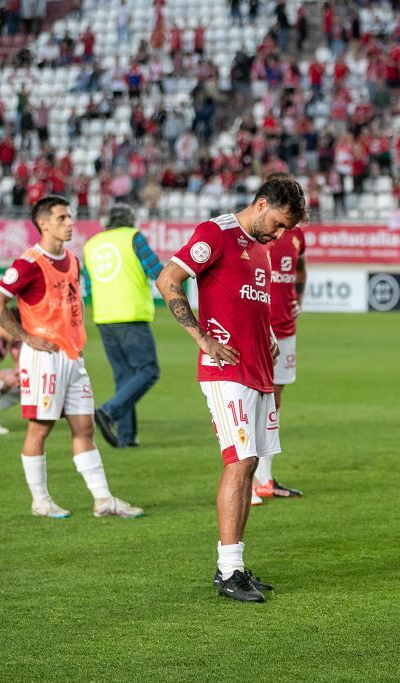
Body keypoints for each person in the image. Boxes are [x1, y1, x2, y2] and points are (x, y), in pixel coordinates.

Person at [156, 173, 307, 603]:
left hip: (259, 369)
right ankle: (227, 569)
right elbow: (169, 279)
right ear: (261, 204)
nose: (280, 235)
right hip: (227, 372)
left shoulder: (260, 249)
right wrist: (202, 338)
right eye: (278, 223)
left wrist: (272, 342)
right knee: (238, 462)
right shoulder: (215, 233)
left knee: (251, 461)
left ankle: (236, 566)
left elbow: (253, 305)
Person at [0, 195, 143, 520]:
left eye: (70, 217)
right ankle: (40, 501)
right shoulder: (28, 262)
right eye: (62, 218)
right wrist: (27, 338)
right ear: (43, 223)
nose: (70, 223)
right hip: (44, 358)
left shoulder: (72, 259)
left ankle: (103, 501)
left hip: (73, 357)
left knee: (84, 429)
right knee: (39, 429)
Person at [82, 204, 162, 449]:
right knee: (149, 370)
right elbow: (155, 270)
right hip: (130, 313)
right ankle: (108, 411)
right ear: (130, 220)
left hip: (104, 316)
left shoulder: (91, 245)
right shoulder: (133, 238)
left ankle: (126, 437)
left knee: (124, 377)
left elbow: (89, 285)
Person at [252, 223, 307, 502]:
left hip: (286, 329)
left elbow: (300, 269)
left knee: (274, 400)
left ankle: (264, 477)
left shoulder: (297, 236)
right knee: (254, 397)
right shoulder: (260, 233)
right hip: (260, 327)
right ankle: (248, 478)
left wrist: (299, 298)